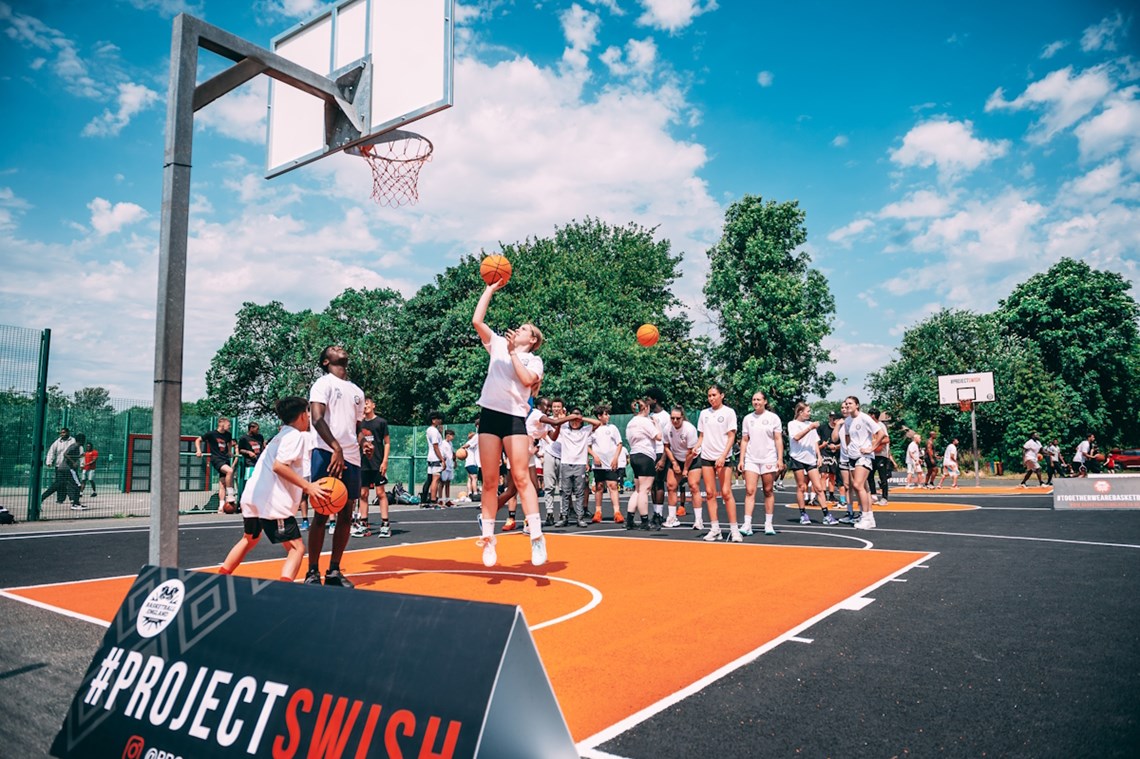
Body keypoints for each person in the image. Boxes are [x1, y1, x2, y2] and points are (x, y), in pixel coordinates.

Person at [472, 278, 548, 568]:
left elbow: (527, 381)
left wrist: (514, 352)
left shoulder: (533, 360)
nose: (520, 329)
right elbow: (477, 320)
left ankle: (537, 537)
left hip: (515, 418)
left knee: (521, 477)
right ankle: (488, 539)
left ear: (532, 340)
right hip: (490, 415)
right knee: (490, 481)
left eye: (525, 329)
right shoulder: (497, 346)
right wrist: (489, 289)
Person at [218, 396, 332, 582]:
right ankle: (283, 590)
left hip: (252, 496)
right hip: (271, 501)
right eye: (308, 412)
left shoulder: (280, 436)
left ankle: (221, 577)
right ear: (303, 415)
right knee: (297, 548)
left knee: (250, 538)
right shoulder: (294, 436)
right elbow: (279, 466)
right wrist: (308, 487)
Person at [304, 344, 365, 588]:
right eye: (332, 348)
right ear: (325, 362)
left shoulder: (357, 391)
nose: (339, 347)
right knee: (322, 511)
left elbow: (356, 427)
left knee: (346, 515)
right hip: (327, 452)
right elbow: (316, 418)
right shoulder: (323, 384)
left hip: (351, 457)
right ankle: (312, 571)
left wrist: (362, 443)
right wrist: (336, 448)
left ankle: (334, 570)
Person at [738, 391, 783, 537]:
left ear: (765, 401)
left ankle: (768, 524)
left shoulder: (773, 418)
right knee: (750, 491)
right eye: (754, 399)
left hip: (768, 458)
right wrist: (741, 460)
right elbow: (745, 440)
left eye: (758, 399)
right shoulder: (747, 419)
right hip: (751, 459)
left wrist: (780, 459)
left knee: (768, 490)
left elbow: (778, 439)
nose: (756, 402)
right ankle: (747, 524)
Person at [697, 384, 739, 542]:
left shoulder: (729, 412)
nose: (711, 398)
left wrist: (723, 455)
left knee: (726, 492)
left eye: (714, 395)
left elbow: (731, 436)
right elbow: (701, 436)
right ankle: (715, 529)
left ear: (722, 395)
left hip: (723, 457)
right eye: (709, 395)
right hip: (707, 456)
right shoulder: (704, 414)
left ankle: (734, 530)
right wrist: (695, 447)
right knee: (709, 493)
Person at [547, 408, 602, 527]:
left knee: (579, 492)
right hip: (566, 464)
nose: (575, 422)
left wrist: (581, 418)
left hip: (580, 464)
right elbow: (556, 424)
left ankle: (580, 517)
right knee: (565, 492)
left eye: (577, 420)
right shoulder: (564, 429)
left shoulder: (585, 430)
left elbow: (597, 423)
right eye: (573, 419)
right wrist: (570, 417)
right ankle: (564, 517)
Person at [787, 402, 839, 526]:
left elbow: (815, 441)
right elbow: (796, 437)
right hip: (797, 458)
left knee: (819, 487)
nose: (810, 413)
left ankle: (826, 515)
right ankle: (803, 514)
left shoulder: (810, 424)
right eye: (808, 411)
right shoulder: (792, 424)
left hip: (810, 459)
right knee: (801, 487)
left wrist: (819, 455)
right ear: (800, 412)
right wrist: (810, 428)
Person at [839, 396, 878, 530]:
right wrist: (849, 448)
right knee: (863, 488)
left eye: (850, 403)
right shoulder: (848, 421)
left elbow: (880, 433)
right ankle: (869, 517)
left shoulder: (864, 418)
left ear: (857, 405)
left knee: (857, 485)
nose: (847, 406)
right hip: (852, 456)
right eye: (846, 404)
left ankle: (866, 517)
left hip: (864, 456)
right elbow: (847, 436)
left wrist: (871, 448)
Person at [625, 397, 662, 530]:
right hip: (645, 456)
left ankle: (629, 520)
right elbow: (658, 437)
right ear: (645, 408)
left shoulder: (631, 422)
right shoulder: (645, 421)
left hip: (634, 455)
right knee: (644, 490)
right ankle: (645, 521)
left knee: (638, 489)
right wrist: (656, 424)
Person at [357, 397, 391, 537]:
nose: (365, 406)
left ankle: (385, 525)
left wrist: (385, 461)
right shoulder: (359, 424)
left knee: (380, 493)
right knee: (363, 494)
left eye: (367, 403)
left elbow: (387, 442)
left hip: (377, 463)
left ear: (373, 405)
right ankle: (363, 524)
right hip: (363, 463)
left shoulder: (381, 422)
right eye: (363, 404)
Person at [663, 406, 698, 528]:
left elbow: (690, 452)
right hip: (676, 457)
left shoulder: (690, 429)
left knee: (693, 486)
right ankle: (672, 517)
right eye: (672, 418)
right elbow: (666, 447)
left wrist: (685, 469)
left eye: (677, 418)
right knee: (671, 486)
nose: (675, 421)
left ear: (682, 417)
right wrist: (674, 463)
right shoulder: (667, 428)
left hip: (692, 458)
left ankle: (698, 520)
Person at [196, 418, 236, 510]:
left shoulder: (228, 435)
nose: (230, 426)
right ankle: (230, 494)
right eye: (228, 425)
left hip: (225, 459)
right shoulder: (211, 434)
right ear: (222, 424)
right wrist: (198, 450)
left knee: (222, 483)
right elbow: (198, 440)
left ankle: (221, 506)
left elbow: (230, 442)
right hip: (216, 459)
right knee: (230, 471)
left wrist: (229, 451)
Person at [41, 428, 83, 511]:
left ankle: (42, 498)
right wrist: (49, 461)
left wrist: (81, 462)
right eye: (61, 433)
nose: (62, 434)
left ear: (68, 432)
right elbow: (53, 452)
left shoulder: (73, 441)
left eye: (64, 432)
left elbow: (80, 453)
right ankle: (74, 503)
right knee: (76, 484)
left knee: (59, 484)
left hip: (64, 467)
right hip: (66, 467)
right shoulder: (58, 442)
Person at [542, 398, 566, 525]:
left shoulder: (567, 421)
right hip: (550, 454)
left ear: (562, 408)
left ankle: (563, 513)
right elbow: (549, 436)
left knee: (563, 487)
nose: (556, 409)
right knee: (549, 485)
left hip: (565, 455)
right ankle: (549, 513)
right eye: (554, 407)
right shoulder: (548, 420)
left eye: (558, 407)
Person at [867, 409, 894, 506]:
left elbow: (887, 439)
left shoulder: (880, 425)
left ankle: (884, 497)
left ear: (873, 415)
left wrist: (876, 442)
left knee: (882, 477)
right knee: (870, 476)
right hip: (871, 454)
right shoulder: (868, 426)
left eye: (869, 414)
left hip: (881, 455)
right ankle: (873, 496)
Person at [424, 411, 445, 506]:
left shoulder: (430, 430)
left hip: (431, 457)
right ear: (433, 420)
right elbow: (436, 446)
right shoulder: (433, 431)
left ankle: (425, 499)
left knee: (430, 479)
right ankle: (433, 499)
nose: (440, 421)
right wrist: (442, 459)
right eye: (438, 419)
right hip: (435, 458)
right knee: (436, 479)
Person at [236, 421, 265, 489]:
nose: (258, 431)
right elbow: (240, 450)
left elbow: (263, 447)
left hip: (259, 462)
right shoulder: (244, 438)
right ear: (251, 428)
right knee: (250, 481)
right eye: (257, 429)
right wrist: (248, 452)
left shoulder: (260, 437)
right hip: (250, 463)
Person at [461, 429, 481, 501]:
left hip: (467, 464)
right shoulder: (471, 444)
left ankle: (469, 492)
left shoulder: (468, 444)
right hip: (472, 463)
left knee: (470, 478)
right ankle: (475, 493)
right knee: (474, 478)